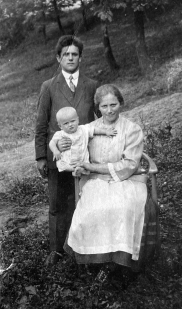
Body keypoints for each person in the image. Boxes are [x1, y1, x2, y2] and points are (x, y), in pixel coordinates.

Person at [64, 84, 159, 275]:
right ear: (97, 108)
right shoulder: (88, 130)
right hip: (95, 181)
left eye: (113, 105)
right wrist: (79, 166)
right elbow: (79, 157)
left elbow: (130, 164)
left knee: (124, 208)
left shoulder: (132, 129)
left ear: (121, 104)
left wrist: (93, 167)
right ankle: (98, 261)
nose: (109, 110)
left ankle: (120, 263)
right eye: (104, 106)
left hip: (127, 180)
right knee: (92, 210)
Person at [35, 35, 98, 266]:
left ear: (80, 57)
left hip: (84, 156)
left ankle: (84, 248)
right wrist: (42, 156)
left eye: (74, 54)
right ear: (58, 58)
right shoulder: (49, 87)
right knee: (58, 203)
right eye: (66, 54)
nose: (70, 58)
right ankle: (56, 250)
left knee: (84, 200)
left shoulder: (91, 85)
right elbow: (41, 123)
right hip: (58, 157)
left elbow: (100, 121)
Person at [49, 106, 117, 173]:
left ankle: (79, 169)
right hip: (67, 160)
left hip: (82, 158)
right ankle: (74, 169)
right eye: (66, 123)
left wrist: (106, 132)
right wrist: (55, 151)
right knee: (64, 166)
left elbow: (94, 130)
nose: (70, 124)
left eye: (72, 121)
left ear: (78, 120)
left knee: (84, 166)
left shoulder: (83, 129)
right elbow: (52, 143)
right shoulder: (60, 134)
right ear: (60, 126)